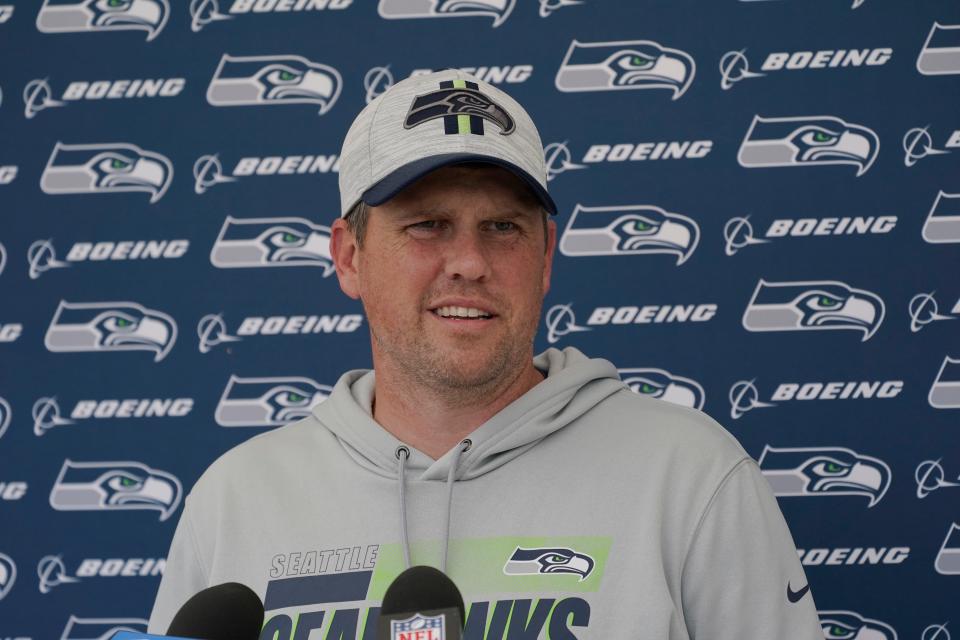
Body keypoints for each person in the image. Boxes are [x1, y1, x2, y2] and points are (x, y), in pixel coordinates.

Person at [149, 70, 823, 639]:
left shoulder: (691, 478)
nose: (469, 262)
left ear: (547, 257)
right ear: (349, 256)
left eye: (503, 227)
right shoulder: (236, 500)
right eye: (428, 225)